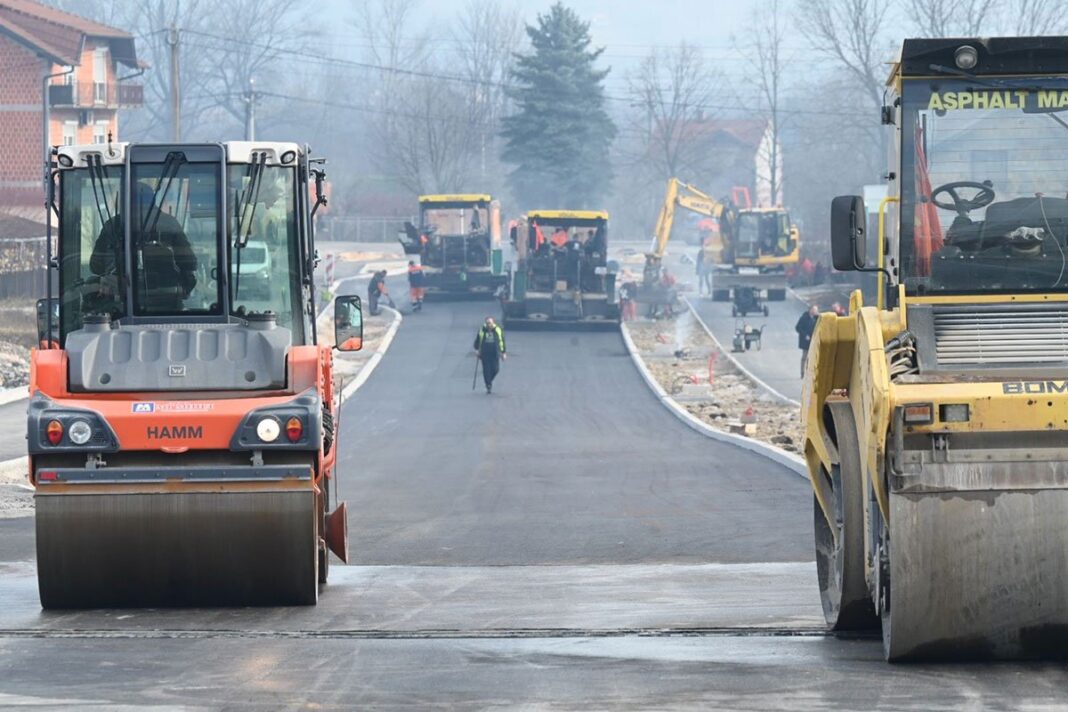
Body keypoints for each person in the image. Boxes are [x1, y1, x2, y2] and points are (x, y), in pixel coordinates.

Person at [473, 316, 506, 394]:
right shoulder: (482, 330)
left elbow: (502, 341)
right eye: (487, 323)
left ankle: (489, 380)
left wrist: (503, 352)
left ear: (493, 323)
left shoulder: (498, 330)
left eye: (490, 323)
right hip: (485, 353)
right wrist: (477, 350)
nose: (489, 325)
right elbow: (477, 340)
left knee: (496, 369)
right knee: (486, 370)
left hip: (495, 353)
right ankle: (488, 385)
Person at [795, 304, 820, 378]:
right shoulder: (804, 318)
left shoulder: (817, 318)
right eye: (814, 310)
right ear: (810, 310)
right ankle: (802, 373)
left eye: (816, 310)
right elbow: (798, 327)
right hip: (805, 341)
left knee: (814, 357)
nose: (816, 311)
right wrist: (805, 335)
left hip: (814, 341)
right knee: (805, 357)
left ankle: (811, 373)